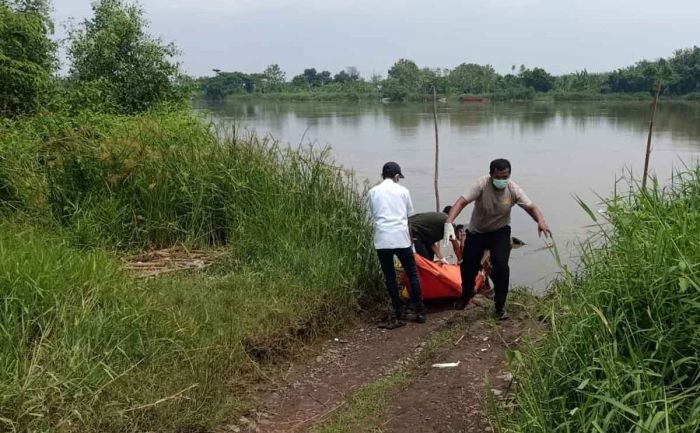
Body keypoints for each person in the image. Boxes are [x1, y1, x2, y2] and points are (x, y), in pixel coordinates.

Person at [442, 158, 551, 320]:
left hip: (500, 232)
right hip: (477, 232)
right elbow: (461, 202)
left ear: (509, 175)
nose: (502, 180)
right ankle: (466, 295)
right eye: (498, 177)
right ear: (491, 175)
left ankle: (500, 306)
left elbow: (531, 207)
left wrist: (540, 221)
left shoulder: (513, 189)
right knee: (468, 267)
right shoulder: (481, 184)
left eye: (505, 177)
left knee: (501, 267)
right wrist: (449, 222)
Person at [368, 161, 426, 328]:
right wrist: (411, 243)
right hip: (401, 239)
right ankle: (420, 312)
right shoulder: (403, 191)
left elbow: (374, 215)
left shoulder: (373, 192)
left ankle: (399, 310)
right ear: (396, 176)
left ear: (382, 175)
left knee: (390, 277)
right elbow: (409, 218)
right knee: (413, 274)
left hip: (382, 240)